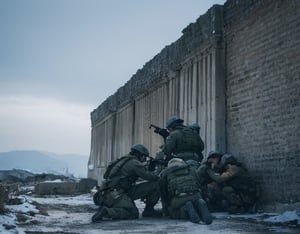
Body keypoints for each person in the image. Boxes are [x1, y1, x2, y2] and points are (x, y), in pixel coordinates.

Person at [92, 144, 161, 222]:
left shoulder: (125, 160)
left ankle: (149, 211)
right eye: (144, 157)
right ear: (140, 155)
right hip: (115, 195)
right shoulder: (134, 163)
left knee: (154, 186)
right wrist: (159, 168)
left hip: (117, 192)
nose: (144, 159)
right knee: (132, 213)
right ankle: (106, 212)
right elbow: (151, 177)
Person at [159, 158, 212, 224]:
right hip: (196, 195)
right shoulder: (191, 169)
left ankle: (186, 208)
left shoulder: (165, 173)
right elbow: (199, 184)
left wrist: (166, 209)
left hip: (179, 198)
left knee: (173, 212)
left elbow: (163, 192)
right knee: (196, 201)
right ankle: (199, 203)